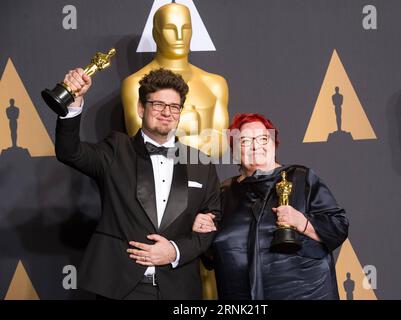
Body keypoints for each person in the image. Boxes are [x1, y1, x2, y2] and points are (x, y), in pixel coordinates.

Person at [55, 67, 220, 299]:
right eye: (158, 104)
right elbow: (69, 152)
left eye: (174, 107)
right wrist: (73, 101)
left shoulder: (200, 163)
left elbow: (212, 223)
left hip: (178, 289)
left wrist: (175, 251)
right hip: (121, 287)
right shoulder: (116, 149)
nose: (166, 112)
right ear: (141, 108)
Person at [193, 113, 349, 299]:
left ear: (274, 143)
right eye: (245, 141)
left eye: (263, 138)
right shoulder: (225, 192)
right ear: (235, 150)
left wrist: (302, 222)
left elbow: (338, 226)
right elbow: (213, 256)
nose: (256, 145)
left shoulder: (301, 178)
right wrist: (202, 232)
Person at [121, 2, 229, 157]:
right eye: (170, 29)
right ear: (155, 33)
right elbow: (145, 142)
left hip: (201, 178)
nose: (180, 36)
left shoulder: (215, 84)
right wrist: (199, 139)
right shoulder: (134, 84)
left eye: (186, 29)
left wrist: (177, 136)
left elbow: (220, 146)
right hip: (152, 176)